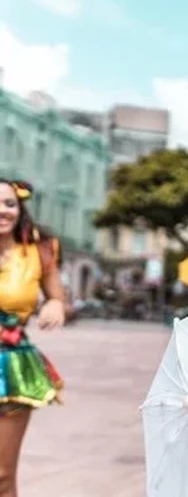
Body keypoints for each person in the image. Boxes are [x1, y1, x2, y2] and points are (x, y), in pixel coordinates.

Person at [0, 180, 65, 497]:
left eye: (9, 204)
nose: (3, 211)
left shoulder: (39, 251)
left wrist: (55, 305)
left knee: (1, 476)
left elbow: (56, 296)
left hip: (10, 365)